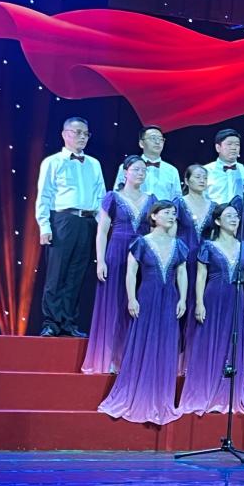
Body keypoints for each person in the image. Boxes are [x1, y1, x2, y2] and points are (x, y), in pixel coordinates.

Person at [98, 201, 188, 425]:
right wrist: (131, 298)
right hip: (147, 296)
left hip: (169, 298)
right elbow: (131, 272)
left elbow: (182, 273)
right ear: (154, 216)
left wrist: (183, 299)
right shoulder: (141, 242)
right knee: (143, 341)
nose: (171, 216)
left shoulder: (179, 245)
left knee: (166, 343)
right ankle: (138, 394)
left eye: (173, 213)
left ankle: (161, 398)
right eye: (166, 213)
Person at [177, 203, 244, 415]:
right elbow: (201, 276)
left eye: (236, 216)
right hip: (212, 298)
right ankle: (204, 392)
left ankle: (226, 396)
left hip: (236, 298)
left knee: (232, 343)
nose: (234, 219)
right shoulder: (208, 247)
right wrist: (199, 302)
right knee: (209, 341)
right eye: (228, 216)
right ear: (218, 221)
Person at [82, 155, 154, 374]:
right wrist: (100, 260)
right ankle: (110, 358)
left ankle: (131, 358)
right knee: (114, 304)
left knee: (137, 303)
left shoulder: (152, 199)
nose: (140, 173)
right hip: (117, 252)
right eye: (136, 169)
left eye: (143, 170)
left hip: (142, 255)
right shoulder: (112, 197)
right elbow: (102, 231)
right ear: (125, 172)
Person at [35, 116, 106, 338]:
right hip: (63, 220)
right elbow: (44, 195)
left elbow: (101, 196)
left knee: (77, 273)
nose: (82, 137)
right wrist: (44, 226)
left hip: (87, 221)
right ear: (65, 134)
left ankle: (68, 321)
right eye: (78, 132)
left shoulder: (94, 163)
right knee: (57, 273)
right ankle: (51, 322)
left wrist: (99, 224)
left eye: (86, 134)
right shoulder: (53, 162)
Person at [173, 164, 213, 373]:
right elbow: (170, 233)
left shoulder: (213, 206)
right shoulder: (179, 203)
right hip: (183, 260)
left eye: (204, 177)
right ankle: (176, 359)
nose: (201, 180)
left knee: (201, 305)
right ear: (187, 181)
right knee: (181, 304)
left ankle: (194, 360)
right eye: (197, 177)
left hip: (205, 262)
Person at [113, 125, 181, 202]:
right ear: (141, 143)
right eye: (153, 138)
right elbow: (117, 195)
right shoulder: (127, 167)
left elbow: (177, 199)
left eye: (160, 139)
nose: (157, 142)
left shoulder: (172, 170)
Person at [203, 128, 244, 204]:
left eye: (237, 144)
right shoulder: (206, 170)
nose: (234, 148)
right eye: (229, 144)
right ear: (218, 147)